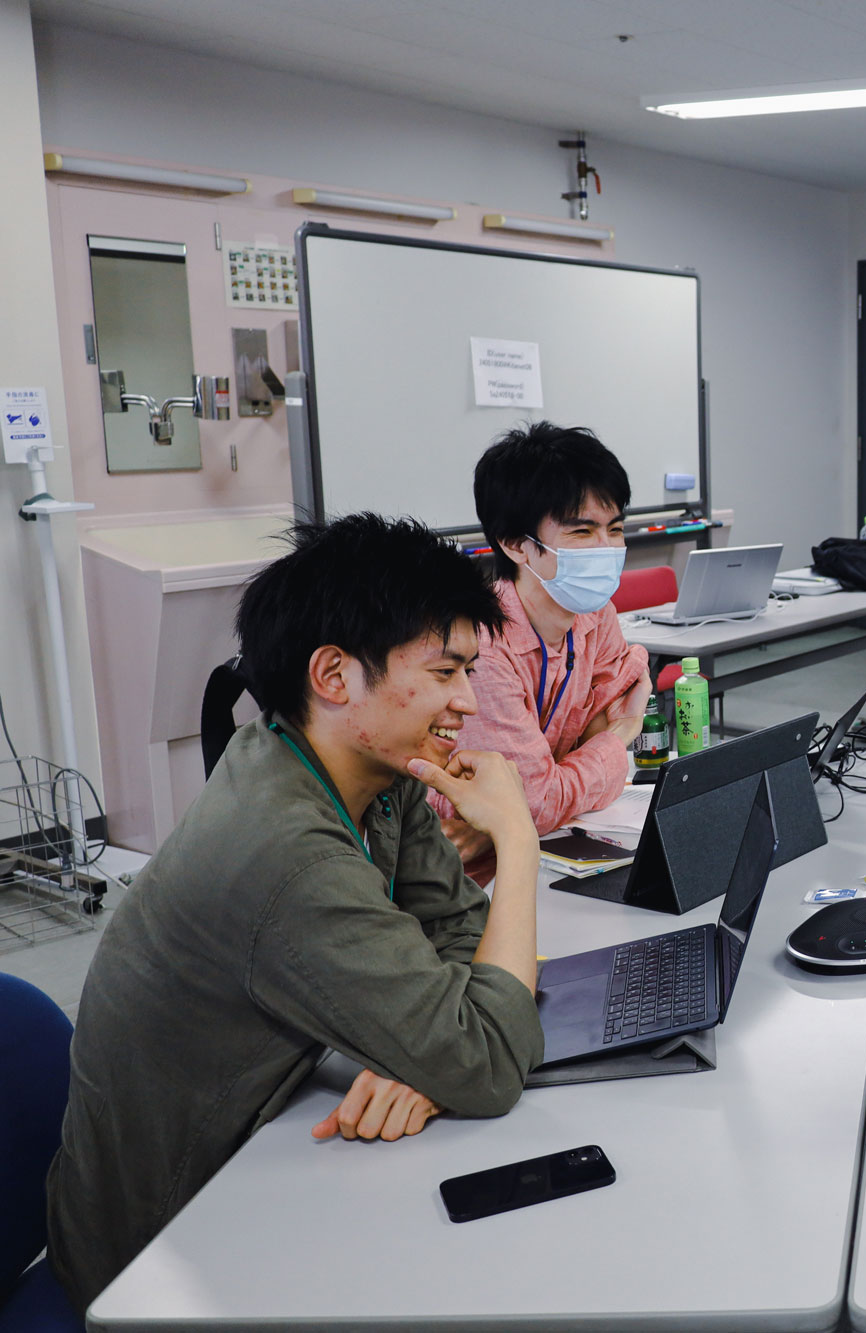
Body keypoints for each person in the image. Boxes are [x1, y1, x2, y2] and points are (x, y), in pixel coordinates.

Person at [47, 515, 546, 1311]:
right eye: (445, 671)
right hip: (164, 1253)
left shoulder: (367, 769)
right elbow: (485, 1060)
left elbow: (460, 935)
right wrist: (516, 841)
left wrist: (426, 1057)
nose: (465, 700)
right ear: (334, 675)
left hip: (265, 1154)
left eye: (470, 671)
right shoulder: (285, 852)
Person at [432, 422, 651, 876]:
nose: (606, 548)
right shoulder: (482, 646)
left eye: (615, 529)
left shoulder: (595, 615)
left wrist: (552, 785)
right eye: (582, 532)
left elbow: (538, 797)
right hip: (463, 869)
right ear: (516, 545)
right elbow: (530, 804)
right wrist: (623, 733)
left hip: (548, 844)